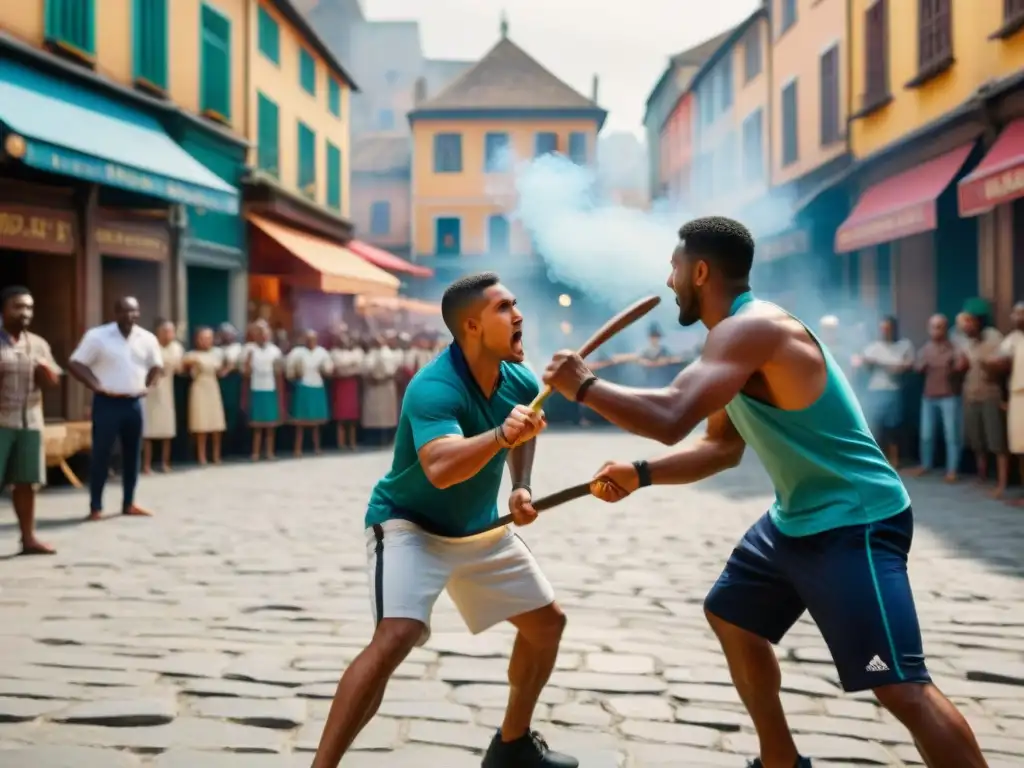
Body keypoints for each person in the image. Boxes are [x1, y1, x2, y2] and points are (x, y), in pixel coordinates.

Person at [541, 217, 987, 768]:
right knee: (733, 617)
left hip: (856, 521)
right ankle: (780, 761)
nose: (669, 278)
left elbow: (672, 415)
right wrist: (641, 472)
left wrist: (583, 386)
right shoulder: (731, 340)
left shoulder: (751, 329)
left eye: (675, 267)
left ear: (700, 271)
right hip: (795, 520)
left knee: (900, 686)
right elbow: (720, 448)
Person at [310, 272, 575, 768]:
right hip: (408, 525)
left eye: (516, 304)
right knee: (397, 636)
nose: (518, 315)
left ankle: (512, 747)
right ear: (472, 326)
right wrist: (500, 436)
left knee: (547, 625)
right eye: (503, 308)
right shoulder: (432, 386)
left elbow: (526, 427)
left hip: (478, 530)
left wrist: (521, 486)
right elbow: (440, 466)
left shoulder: (518, 376)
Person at [68, 297, 162, 520]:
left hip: (134, 402)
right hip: (107, 402)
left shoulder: (147, 338)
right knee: (101, 453)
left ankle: (129, 502)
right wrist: (95, 385)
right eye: (125, 311)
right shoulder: (98, 336)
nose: (130, 316)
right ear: (116, 313)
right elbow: (75, 363)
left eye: (134, 312)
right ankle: (95, 506)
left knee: (132, 454)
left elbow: (156, 365)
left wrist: (148, 385)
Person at [0, 286, 61, 554]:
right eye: (18, 306)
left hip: (30, 422)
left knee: (26, 483)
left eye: (29, 307)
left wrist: (47, 372)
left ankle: (28, 538)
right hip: (1, 421)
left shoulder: (38, 343)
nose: (24, 313)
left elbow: (54, 380)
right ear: (3, 309)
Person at [909, 314, 967, 482]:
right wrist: (922, 366)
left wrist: (958, 365)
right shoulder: (926, 348)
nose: (937, 330)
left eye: (940, 326)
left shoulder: (954, 347)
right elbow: (917, 367)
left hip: (949, 395)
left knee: (952, 435)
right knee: (926, 434)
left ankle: (952, 470)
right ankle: (925, 465)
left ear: (946, 328)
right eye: (934, 327)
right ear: (929, 329)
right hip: (929, 396)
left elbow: (960, 366)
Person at [960, 299, 1009, 497]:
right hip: (971, 395)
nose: (966, 325)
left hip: (990, 394)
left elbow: (1004, 366)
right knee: (977, 440)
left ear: (979, 321)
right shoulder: (968, 341)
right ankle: (981, 477)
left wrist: (991, 365)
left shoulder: (994, 337)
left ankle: (1002, 483)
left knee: (996, 440)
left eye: (969, 321)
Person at [852, 316, 914, 467]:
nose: (884, 332)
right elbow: (863, 366)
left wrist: (879, 363)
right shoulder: (873, 347)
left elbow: (904, 367)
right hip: (875, 390)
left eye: (887, 328)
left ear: (894, 329)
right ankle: (877, 460)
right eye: (882, 329)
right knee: (875, 426)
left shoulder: (904, 345)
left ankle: (895, 460)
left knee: (893, 426)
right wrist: (865, 363)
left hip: (893, 390)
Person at [986, 301, 1024, 506]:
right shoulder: (1014, 339)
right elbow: (998, 357)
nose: (1017, 318)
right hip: (1018, 396)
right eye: (1015, 314)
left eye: (1021, 314)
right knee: (1019, 446)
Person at [142, 318, 183, 474]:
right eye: (165, 331)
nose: (168, 334)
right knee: (149, 430)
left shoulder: (176, 348)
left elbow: (179, 368)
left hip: (167, 391)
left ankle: (165, 463)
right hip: (151, 391)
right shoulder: (151, 347)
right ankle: (146, 465)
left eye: (170, 331)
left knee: (167, 429)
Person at [183, 326, 228, 465]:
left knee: (216, 423)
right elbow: (183, 367)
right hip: (199, 388)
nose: (206, 341)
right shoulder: (191, 355)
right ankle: (201, 456)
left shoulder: (216, 354)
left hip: (212, 387)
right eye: (202, 338)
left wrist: (228, 367)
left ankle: (216, 455)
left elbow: (221, 371)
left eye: (208, 338)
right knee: (201, 423)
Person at [285, 329, 332, 456]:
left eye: (313, 339)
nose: (310, 342)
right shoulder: (297, 352)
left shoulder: (322, 352)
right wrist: (294, 374)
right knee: (300, 421)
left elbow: (328, 370)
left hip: (317, 386)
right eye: (308, 339)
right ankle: (298, 449)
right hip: (303, 387)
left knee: (315, 422)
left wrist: (326, 371)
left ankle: (317, 447)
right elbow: (290, 370)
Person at [242, 320, 282, 461]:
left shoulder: (275, 351)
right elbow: (245, 373)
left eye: (265, 333)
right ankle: (255, 452)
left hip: (270, 388)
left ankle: (269, 452)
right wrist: (248, 361)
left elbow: (278, 372)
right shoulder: (249, 349)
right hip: (256, 388)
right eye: (259, 333)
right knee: (257, 425)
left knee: (270, 425)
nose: (263, 336)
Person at [329, 331, 363, 450]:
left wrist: (346, 370)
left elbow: (358, 369)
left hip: (351, 386)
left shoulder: (356, 353)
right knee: (341, 418)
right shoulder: (334, 353)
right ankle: (341, 443)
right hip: (340, 386)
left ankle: (352, 442)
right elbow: (335, 370)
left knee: (352, 418)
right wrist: (348, 369)